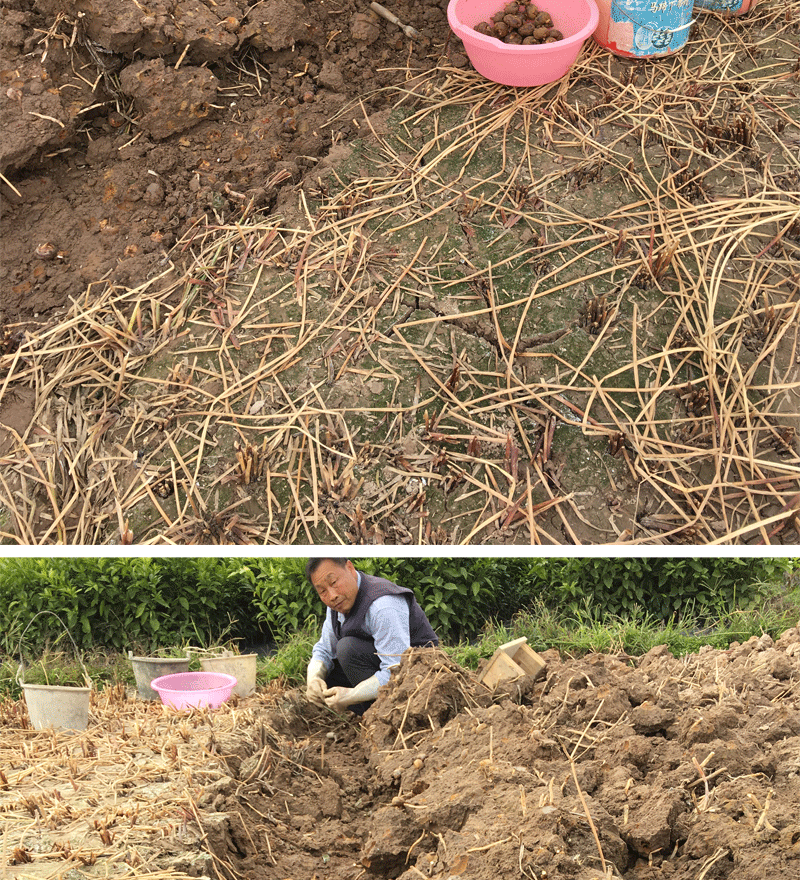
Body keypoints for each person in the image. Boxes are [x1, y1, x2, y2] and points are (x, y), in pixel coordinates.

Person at [305, 558, 438, 714]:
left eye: (334, 582)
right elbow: (324, 650)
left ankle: (383, 714)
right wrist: (313, 678)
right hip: (380, 664)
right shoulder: (338, 603)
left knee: (347, 649)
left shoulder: (382, 606)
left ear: (350, 568)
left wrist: (350, 696)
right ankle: (369, 713)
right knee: (327, 677)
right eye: (322, 591)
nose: (332, 595)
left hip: (418, 679)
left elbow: (396, 671)